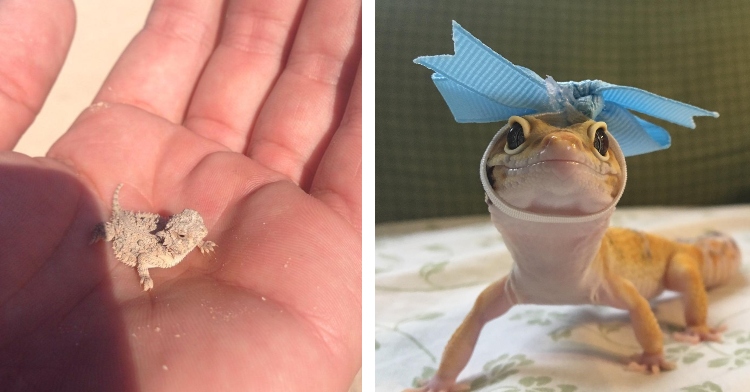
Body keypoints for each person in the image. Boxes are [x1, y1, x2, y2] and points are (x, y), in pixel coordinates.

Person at [0, 0, 361, 390]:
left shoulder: (182, 241)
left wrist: (200, 243)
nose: (196, 232)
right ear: (177, 235)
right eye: (190, 233)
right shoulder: (162, 250)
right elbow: (141, 257)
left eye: (194, 231)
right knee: (111, 227)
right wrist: (142, 273)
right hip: (132, 235)